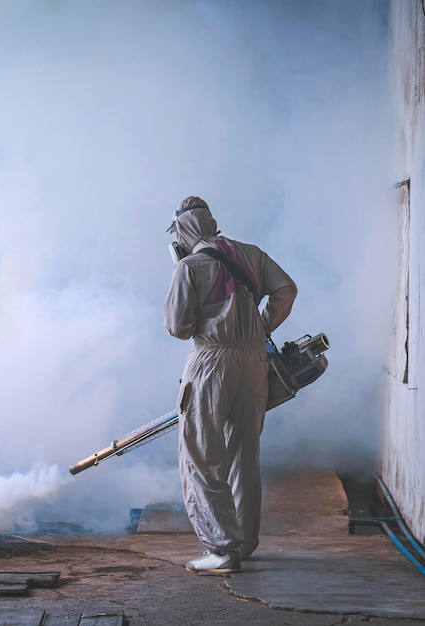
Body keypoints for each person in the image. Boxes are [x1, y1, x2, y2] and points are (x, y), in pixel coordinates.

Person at [163, 196, 297, 574]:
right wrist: (261, 326)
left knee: (202, 455)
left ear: (183, 232)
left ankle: (222, 549)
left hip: (212, 362)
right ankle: (246, 542)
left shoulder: (189, 267)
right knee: (244, 453)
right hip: (254, 360)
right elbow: (287, 290)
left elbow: (177, 327)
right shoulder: (251, 254)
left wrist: (203, 324)